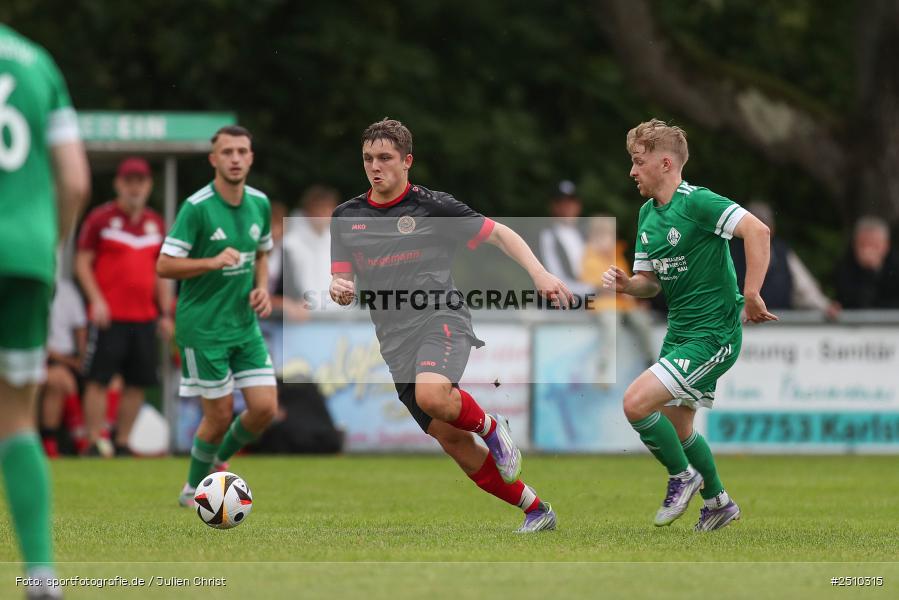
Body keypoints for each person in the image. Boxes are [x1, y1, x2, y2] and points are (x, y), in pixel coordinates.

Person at [329, 118, 571, 532]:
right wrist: (339, 287)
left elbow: (500, 235)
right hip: (394, 340)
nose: (375, 166)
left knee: (433, 396)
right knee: (452, 440)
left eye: (385, 158)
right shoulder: (346, 217)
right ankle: (535, 509)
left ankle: (493, 429)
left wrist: (540, 274)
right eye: (368, 158)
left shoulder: (432, 206)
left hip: (441, 316)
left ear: (407, 161)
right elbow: (342, 277)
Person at [602, 119, 776, 531]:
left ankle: (682, 477)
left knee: (635, 403)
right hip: (680, 333)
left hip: (713, 334)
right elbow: (651, 284)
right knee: (680, 428)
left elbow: (758, 230)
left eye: (637, 162)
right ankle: (718, 502)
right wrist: (629, 285)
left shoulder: (697, 203)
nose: (632, 171)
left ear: (664, 163)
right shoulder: (647, 213)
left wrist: (751, 293)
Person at [0, 23, 90, 599]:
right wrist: (51, 248)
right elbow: (76, 181)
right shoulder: (36, 61)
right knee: (16, 417)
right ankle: (40, 574)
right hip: (29, 255)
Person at [157, 125, 277, 507]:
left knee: (263, 409)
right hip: (202, 328)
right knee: (220, 414)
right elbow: (164, 264)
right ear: (214, 159)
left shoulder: (260, 203)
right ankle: (192, 489)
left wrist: (261, 288)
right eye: (227, 152)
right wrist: (211, 261)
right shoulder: (197, 207)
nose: (236, 158)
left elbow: (261, 253)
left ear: (251, 157)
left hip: (244, 325)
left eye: (242, 151)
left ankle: (218, 462)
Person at [75, 157, 172, 457]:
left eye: (140, 181)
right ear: (118, 184)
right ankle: (94, 440)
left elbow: (163, 270)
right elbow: (82, 262)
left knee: (137, 381)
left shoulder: (156, 224)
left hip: (143, 316)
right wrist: (97, 300)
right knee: (99, 379)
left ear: (149, 185)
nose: (135, 187)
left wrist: (165, 312)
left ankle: (123, 441)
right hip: (109, 315)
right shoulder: (101, 219)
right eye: (129, 181)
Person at [730, 201, 841, 319]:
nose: (760, 233)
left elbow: (804, 289)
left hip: (782, 326)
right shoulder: (732, 254)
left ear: (772, 229)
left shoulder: (782, 252)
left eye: (763, 226)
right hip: (745, 325)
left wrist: (825, 306)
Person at [40, 273, 88, 457]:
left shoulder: (66, 290)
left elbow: (80, 328)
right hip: (40, 359)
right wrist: (69, 362)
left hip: (65, 359)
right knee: (61, 380)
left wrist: (82, 359)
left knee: (112, 379)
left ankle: (92, 440)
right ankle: (78, 441)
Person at [282, 184, 341, 317]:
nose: (323, 213)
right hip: (301, 317)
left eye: (327, 208)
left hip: (335, 317)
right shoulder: (290, 243)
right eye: (318, 208)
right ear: (308, 210)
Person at [538, 180, 595, 298]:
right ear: (554, 206)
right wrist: (596, 291)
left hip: (593, 300)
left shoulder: (586, 235)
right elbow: (557, 279)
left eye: (571, 202)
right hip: (565, 303)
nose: (567, 207)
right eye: (562, 202)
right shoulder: (549, 237)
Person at [835, 216, 899, 309]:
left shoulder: (895, 265)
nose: (868, 251)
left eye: (875, 245)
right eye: (863, 245)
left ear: (886, 246)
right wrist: (868, 273)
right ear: (854, 245)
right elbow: (852, 302)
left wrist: (876, 270)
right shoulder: (845, 267)